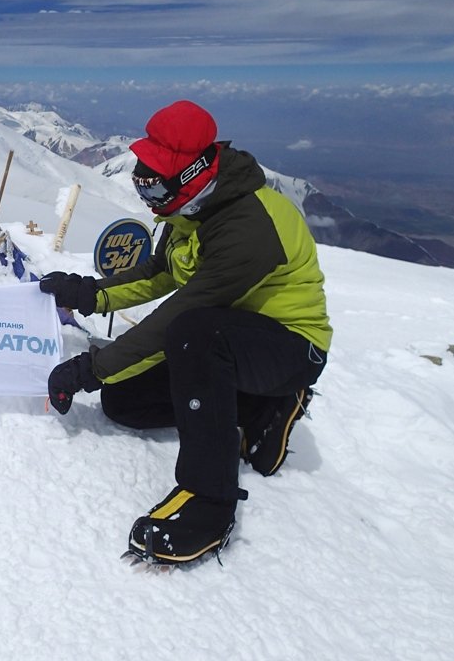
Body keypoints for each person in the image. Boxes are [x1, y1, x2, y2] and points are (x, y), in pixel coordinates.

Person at [40, 100, 331, 567]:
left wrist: (90, 370)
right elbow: (161, 274)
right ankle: (259, 410)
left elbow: (181, 315)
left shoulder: (248, 227)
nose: (146, 191)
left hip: (290, 345)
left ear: (194, 172)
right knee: (124, 402)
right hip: (230, 341)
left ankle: (209, 501)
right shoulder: (192, 208)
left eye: (154, 183)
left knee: (194, 332)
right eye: (142, 176)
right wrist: (89, 294)